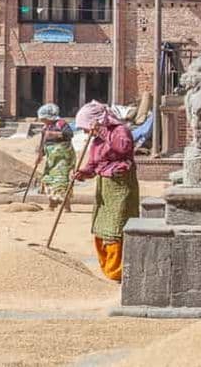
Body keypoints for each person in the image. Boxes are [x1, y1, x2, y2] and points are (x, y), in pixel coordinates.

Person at [74, 101, 139, 282]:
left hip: (120, 186)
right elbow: (93, 165)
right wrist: (82, 173)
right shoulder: (96, 141)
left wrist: (103, 132)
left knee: (116, 229)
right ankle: (107, 271)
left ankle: (117, 272)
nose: (86, 133)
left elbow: (123, 147)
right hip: (104, 188)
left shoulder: (120, 130)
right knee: (101, 229)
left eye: (87, 128)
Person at [36, 103, 76, 212]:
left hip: (63, 158)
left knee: (61, 180)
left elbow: (69, 134)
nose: (42, 121)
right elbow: (42, 143)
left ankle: (66, 206)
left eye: (44, 119)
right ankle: (52, 204)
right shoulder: (45, 127)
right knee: (48, 179)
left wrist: (55, 134)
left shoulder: (61, 124)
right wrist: (40, 154)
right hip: (51, 159)